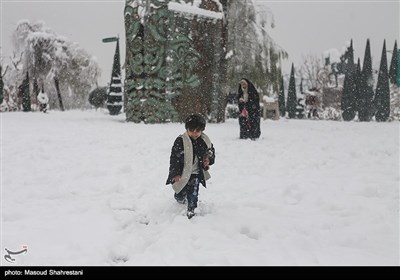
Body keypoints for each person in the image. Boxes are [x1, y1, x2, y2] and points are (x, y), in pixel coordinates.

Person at [166, 113, 216, 219]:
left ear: (202, 130)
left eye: (197, 131)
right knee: (180, 193)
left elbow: (210, 152)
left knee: (193, 192)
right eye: (191, 130)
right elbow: (174, 159)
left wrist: (209, 160)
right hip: (183, 173)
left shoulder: (204, 141)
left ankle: (191, 209)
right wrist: (175, 174)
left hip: (196, 173)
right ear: (187, 129)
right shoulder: (180, 141)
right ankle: (180, 198)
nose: (194, 133)